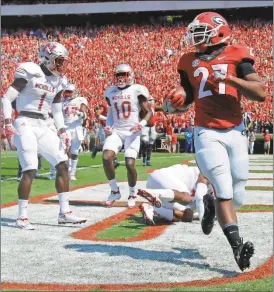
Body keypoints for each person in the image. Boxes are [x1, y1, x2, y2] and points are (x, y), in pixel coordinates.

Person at [166, 12, 266, 270]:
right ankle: (237, 248)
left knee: (238, 195)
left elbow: (260, 92)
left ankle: (209, 204)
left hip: (235, 130)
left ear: (218, 31)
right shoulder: (187, 60)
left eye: (201, 31)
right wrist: (175, 103)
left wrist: (232, 79)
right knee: (223, 187)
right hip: (206, 130)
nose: (194, 36)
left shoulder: (238, 53)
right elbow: (188, 95)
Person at [2, 42, 87, 229]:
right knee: (30, 168)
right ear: (47, 57)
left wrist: (62, 129)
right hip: (25, 122)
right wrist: (8, 122)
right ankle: (22, 216)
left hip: (44, 124)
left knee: (62, 164)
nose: (61, 65)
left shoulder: (60, 81)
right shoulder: (30, 71)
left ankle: (64, 212)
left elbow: (56, 109)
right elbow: (7, 98)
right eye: (59, 60)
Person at [102, 64, 152, 208]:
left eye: (123, 74)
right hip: (117, 130)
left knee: (130, 164)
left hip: (132, 131)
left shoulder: (137, 89)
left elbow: (148, 112)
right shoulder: (110, 92)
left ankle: (132, 192)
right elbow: (111, 113)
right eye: (118, 75)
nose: (120, 78)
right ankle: (114, 190)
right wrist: (108, 125)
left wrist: (141, 124)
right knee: (106, 157)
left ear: (130, 75)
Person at [137, 164, 212, 225]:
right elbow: (199, 192)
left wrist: (203, 215)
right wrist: (203, 217)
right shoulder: (209, 173)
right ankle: (156, 193)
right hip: (161, 176)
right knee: (186, 198)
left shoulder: (212, 194)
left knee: (188, 215)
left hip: (168, 192)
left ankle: (152, 208)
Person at [62, 83, 88, 180]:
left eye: (69, 92)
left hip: (76, 127)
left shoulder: (80, 100)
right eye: (66, 91)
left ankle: (72, 172)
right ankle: (66, 171)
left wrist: (80, 113)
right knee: (65, 150)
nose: (67, 94)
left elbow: (85, 115)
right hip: (65, 127)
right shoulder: (61, 101)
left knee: (74, 152)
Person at [141, 96, 157, 166]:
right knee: (145, 143)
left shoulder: (153, 108)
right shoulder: (143, 108)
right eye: (150, 100)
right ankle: (144, 159)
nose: (152, 102)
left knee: (150, 144)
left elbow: (161, 108)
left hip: (152, 126)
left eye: (152, 100)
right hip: (145, 126)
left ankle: (148, 160)